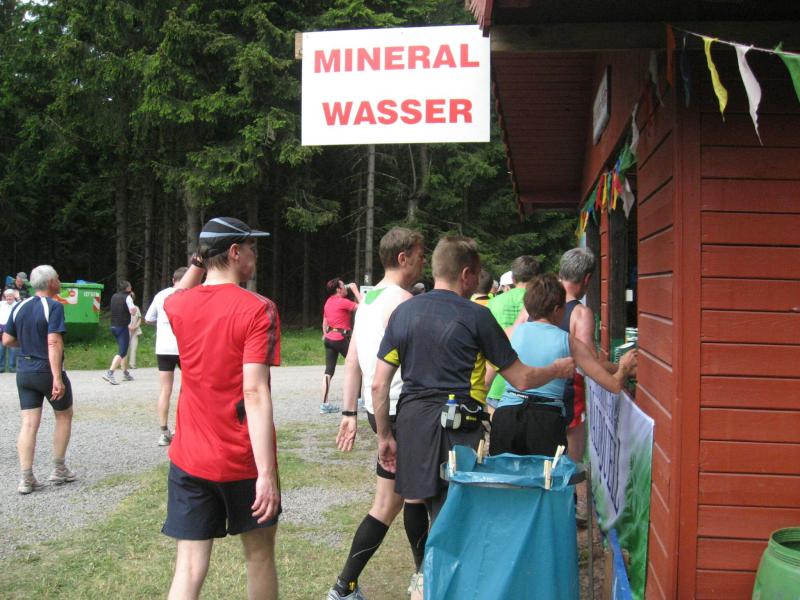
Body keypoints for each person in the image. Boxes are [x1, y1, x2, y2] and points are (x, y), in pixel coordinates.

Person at [372, 236, 574, 533]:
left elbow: (379, 384)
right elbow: (521, 378)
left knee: (416, 499)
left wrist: (385, 436)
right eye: (477, 274)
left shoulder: (403, 313)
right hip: (457, 426)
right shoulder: (477, 316)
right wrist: (556, 369)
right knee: (455, 507)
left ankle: (423, 562)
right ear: (466, 274)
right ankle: (446, 562)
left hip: (413, 422)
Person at [162, 216, 281, 600]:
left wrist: (199, 261)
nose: (255, 254)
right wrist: (266, 474)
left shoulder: (178, 305)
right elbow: (255, 392)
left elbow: (176, 295)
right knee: (259, 557)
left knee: (188, 567)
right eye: (251, 247)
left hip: (189, 457)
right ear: (234, 252)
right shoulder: (259, 309)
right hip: (242, 459)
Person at [328, 227, 428, 600]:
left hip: (381, 410)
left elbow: (352, 361)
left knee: (387, 503)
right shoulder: (404, 303)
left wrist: (349, 412)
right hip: (403, 411)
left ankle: (344, 587)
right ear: (403, 258)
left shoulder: (368, 302)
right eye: (420, 255)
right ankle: (424, 581)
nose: (423, 262)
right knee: (413, 499)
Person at [489, 274, 637, 457]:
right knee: (547, 475)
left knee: (503, 473)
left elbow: (486, 380)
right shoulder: (569, 342)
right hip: (546, 420)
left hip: (507, 415)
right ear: (557, 310)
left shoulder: (508, 334)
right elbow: (613, 385)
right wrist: (624, 367)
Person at [2, 265, 76, 494]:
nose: (60, 281)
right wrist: (57, 378)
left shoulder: (19, 306)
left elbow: (7, 340)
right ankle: (59, 468)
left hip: (24, 371)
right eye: (58, 278)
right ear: (51, 282)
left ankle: (26, 478)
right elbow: (54, 341)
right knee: (63, 415)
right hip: (46, 370)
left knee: (28, 423)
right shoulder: (54, 306)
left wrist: (27, 344)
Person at [485, 255, 540, 411]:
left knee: (496, 427)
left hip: (497, 381)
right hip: (532, 382)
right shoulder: (541, 303)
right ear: (537, 278)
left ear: (514, 278)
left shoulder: (493, 302)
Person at [144, 267, 188, 446]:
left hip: (163, 348)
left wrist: (161, 325)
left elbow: (148, 318)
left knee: (165, 390)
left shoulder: (161, 295)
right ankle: (181, 428)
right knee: (188, 389)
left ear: (173, 280)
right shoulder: (190, 295)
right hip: (184, 348)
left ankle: (163, 432)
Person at [320, 278, 362, 414]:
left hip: (329, 338)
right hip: (340, 338)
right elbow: (364, 307)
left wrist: (325, 334)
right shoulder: (342, 301)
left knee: (328, 371)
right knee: (357, 365)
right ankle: (359, 400)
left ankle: (324, 404)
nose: (345, 288)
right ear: (338, 289)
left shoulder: (328, 302)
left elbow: (325, 321)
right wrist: (355, 289)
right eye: (344, 286)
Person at [102, 280, 136, 385]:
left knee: (123, 349)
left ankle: (125, 372)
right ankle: (110, 373)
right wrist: (133, 305)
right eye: (130, 286)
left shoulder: (114, 296)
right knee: (122, 351)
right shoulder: (128, 297)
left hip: (113, 326)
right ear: (127, 288)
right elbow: (133, 311)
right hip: (122, 327)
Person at [0, 289, 19, 372]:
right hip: (1, 328)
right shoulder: (2, 304)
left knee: (13, 348)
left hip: (13, 328)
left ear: (14, 296)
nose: (8, 298)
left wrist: (18, 297)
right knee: (1, 348)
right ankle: (1, 367)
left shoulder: (18, 304)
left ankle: (12, 367)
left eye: (10, 296)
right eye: (7, 296)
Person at [127, 291, 143, 369]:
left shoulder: (136, 308)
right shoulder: (124, 307)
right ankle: (123, 364)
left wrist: (136, 326)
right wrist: (128, 326)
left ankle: (132, 364)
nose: (131, 298)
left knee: (134, 348)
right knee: (125, 348)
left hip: (135, 331)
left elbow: (139, 318)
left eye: (132, 297)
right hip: (126, 330)